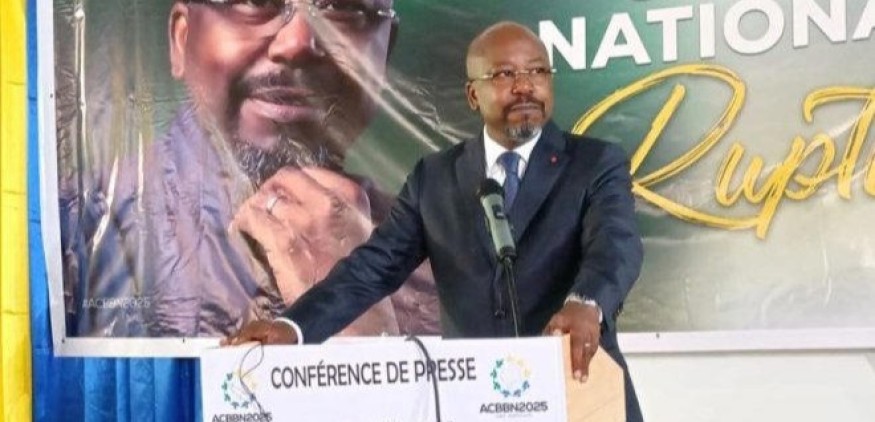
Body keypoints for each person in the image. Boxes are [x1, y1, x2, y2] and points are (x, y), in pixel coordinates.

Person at [226, 21, 644, 421]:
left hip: (580, 389)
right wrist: (294, 326)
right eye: (505, 74)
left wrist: (587, 303)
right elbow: (373, 268)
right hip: (480, 401)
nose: (525, 86)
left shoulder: (595, 163)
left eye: (537, 71)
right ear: (473, 95)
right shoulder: (436, 178)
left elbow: (615, 245)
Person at [60, 0, 439, 337]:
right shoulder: (76, 237)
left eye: (343, 7)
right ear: (181, 38)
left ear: (384, 53)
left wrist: (361, 325)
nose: (297, 42)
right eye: (255, 2)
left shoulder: (436, 261)